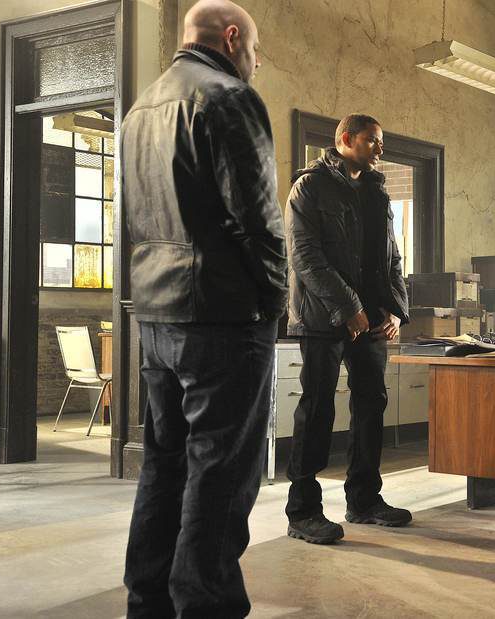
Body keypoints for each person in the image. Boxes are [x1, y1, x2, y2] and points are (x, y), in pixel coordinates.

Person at [121, 1, 286, 616]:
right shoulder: (229, 98)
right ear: (233, 37)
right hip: (222, 317)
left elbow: (136, 218)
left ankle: (147, 604)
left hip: (156, 314)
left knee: (163, 467)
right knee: (221, 473)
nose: (256, 63)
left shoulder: (140, 108)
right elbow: (258, 220)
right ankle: (205, 606)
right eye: (255, 50)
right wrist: (275, 301)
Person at [284, 114, 411, 545]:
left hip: (372, 319)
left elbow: (393, 256)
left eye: (381, 141)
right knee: (317, 408)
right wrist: (348, 307)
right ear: (345, 139)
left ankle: (364, 500)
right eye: (372, 140)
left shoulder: (377, 191)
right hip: (323, 318)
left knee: (371, 405)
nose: (380, 149)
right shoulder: (309, 187)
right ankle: (303, 512)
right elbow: (305, 256)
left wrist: (395, 309)